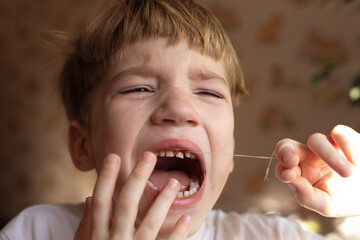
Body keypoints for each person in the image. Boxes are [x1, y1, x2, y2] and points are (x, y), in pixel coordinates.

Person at [1, 0, 359, 239]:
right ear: (83, 146)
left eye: (208, 92)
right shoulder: (34, 230)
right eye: (137, 89)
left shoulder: (277, 236)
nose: (179, 109)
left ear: (229, 153)